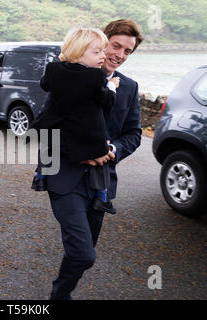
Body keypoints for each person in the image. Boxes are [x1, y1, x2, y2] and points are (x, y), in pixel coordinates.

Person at [34, 19, 143, 300]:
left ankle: (61, 293)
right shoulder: (66, 79)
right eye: (115, 46)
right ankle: (60, 296)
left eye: (127, 51)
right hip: (64, 174)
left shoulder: (129, 88)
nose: (118, 55)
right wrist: (84, 153)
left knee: (83, 254)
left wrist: (113, 149)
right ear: (98, 44)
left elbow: (133, 134)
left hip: (101, 183)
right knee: (83, 252)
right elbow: (46, 129)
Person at [31, 27, 120, 214]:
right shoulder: (96, 76)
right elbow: (107, 101)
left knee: (49, 140)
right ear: (78, 53)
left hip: (51, 126)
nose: (103, 56)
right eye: (97, 52)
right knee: (102, 156)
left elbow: (44, 85)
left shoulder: (53, 68)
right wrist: (111, 87)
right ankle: (102, 197)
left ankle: (40, 175)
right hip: (89, 134)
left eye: (103, 51)